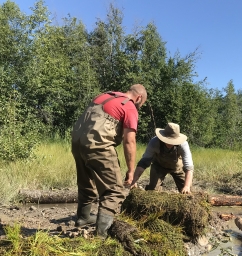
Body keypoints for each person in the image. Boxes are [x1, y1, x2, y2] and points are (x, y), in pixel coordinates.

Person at [71, 84, 147, 237]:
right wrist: (131, 171)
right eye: (141, 104)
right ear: (139, 98)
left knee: (86, 182)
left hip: (77, 143)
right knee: (114, 190)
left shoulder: (103, 96)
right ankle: (102, 233)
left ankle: (83, 217)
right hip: (99, 146)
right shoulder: (130, 107)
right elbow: (129, 141)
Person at [131, 122, 193, 194]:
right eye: (168, 140)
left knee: (188, 193)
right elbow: (144, 162)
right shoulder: (154, 142)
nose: (170, 143)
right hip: (159, 167)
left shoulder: (183, 144)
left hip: (177, 167)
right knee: (152, 192)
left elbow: (189, 167)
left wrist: (187, 186)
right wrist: (134, 180)